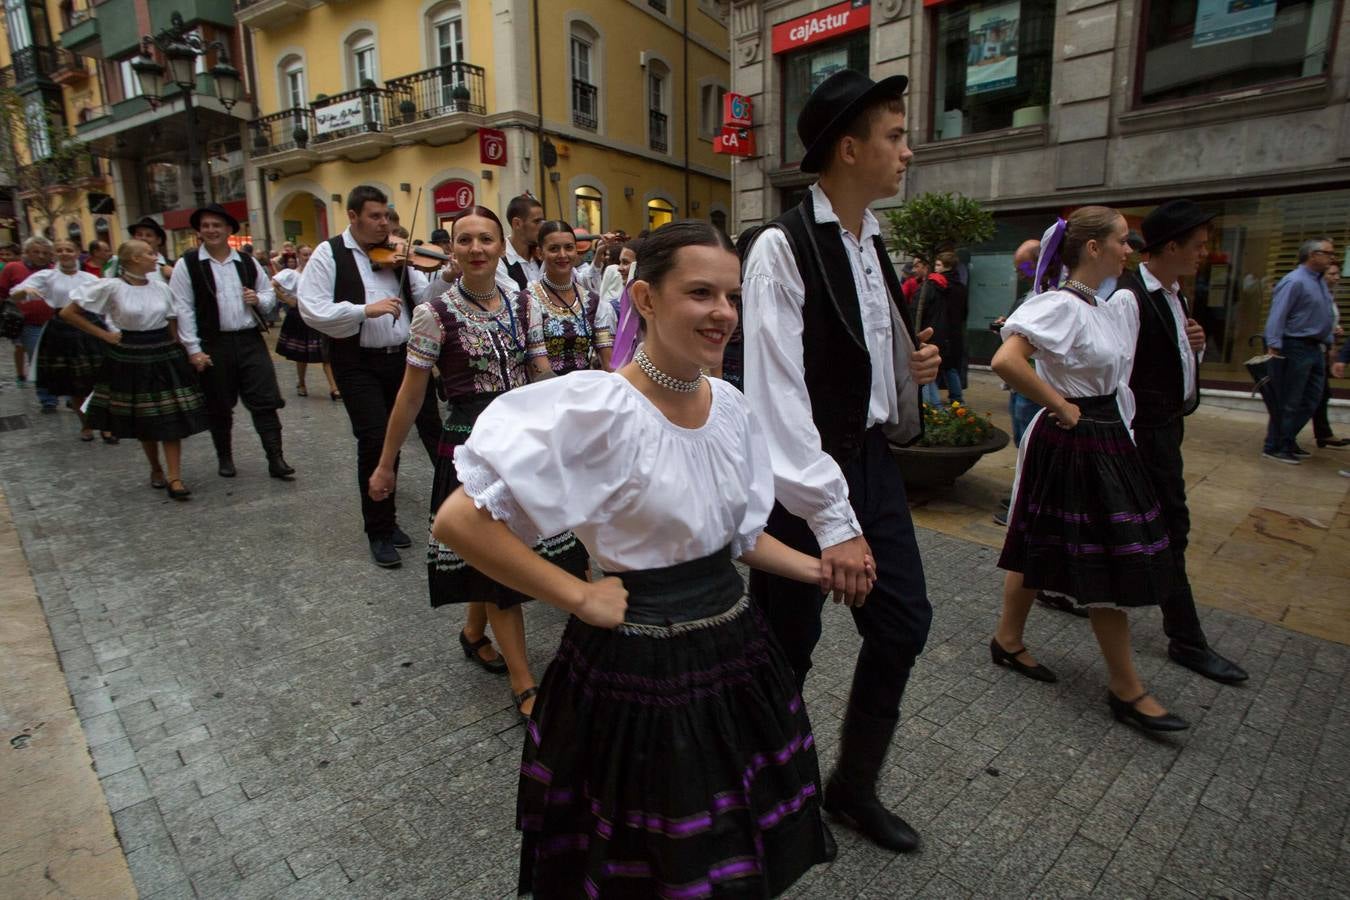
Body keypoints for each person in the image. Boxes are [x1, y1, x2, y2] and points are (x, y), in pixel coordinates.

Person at [434, 221, 837, 897]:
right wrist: (579, 595)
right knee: (653, 855)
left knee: (730, 844)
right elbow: (458, 522)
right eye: (701, 293)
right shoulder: (597, 410)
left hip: (737, 660)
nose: (723, 314)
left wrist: (817, 569)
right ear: (645, 299)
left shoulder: (732, 408)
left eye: (732, 297)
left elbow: (737, 537)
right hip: (637, 671)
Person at [742, 69, 941, 854]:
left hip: (870, 468)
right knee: (783, 649)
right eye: (894, 136)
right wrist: (833, 522)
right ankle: (767, 802)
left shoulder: (872, 242)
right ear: (850, 148)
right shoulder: (779, 250)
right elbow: (777, 401)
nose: (907, 151)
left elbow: (860, 361)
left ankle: (852, 787)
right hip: (800, 483)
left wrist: (907, 374)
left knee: (902, 623)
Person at [369, 206, 588, 718]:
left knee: (495, 557)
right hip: (470, 449)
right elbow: (410, 395)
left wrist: (566, 417)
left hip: (518, 441)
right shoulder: (433, 313)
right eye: (465, 239)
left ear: (500, 245)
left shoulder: (522, 302)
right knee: (499, 571)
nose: (476, 248)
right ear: (452, 248)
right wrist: (385, 464)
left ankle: (473, 633)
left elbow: (538, 367)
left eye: (485, 239)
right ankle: (524, 683)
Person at [990, 207, 1186, 732]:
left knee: (1040, 541)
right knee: (1107, 558)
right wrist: (1059, 403)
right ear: (1093, 248)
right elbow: (1006, 360)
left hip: (1104, 437)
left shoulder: (1113, 305)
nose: (1131, 249)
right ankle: (1126, 688)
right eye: (1123, 241)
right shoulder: (1060, 305)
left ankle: (1007, 640)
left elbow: (1121, 375)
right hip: (1075, 438)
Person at [1105, 200, 1249, 686]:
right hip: (1142, 435)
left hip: (1167, 427)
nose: (1204, 255)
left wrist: (1196, 346)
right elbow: (1115, 376)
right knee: (1169, 528)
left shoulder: (1175, 295)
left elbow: (1172, 358)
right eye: (1199, 246)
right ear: (1170, 246)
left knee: (1135, 526)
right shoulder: (1128, 298)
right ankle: (1186, 638)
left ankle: (1055, 586)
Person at [298, 185, 454, 568]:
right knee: (375, 440)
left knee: (433, 431)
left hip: (404, 359)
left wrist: (447, 275)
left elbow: (428, 296)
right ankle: (380, 529)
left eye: (386, 216)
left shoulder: (399, 255)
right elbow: (312, 309)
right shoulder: (328, 254)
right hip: (357, 362)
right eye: (375, 216)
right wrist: (363, 310)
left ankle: (454, 515)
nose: (384, 223)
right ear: (352, 217)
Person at [60, 240, 208, 500]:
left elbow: (174, 324)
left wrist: (185, 352)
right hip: (131, 354)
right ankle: (156, 468)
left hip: (163, 352)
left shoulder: (162, 288)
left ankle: (175, 477)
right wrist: (104, 336)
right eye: (150, 254)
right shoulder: (112, 286)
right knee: (145, 418)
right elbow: (68, 312)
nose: (155, 258)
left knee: (171, 418)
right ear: (134, 259)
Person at [170, 203, 294, 481]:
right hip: (213, 342)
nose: (211, 230)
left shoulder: (247, 262)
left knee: (265, 400)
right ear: (199, 231)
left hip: (249, 339)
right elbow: (184, 309)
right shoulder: (187, 265)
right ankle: (224, 457)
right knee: (218, 404)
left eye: (216, 225)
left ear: (228, 229)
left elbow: (268, 294)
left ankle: (276, 458)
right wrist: (193, 349)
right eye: (205, 226)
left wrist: (258, 300)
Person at [10, 240, 104, 437]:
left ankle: (105, 425)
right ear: (55, 254)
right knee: (74, 382)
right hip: (62, 327)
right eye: (60, 250)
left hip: (89, 324)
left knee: (98, 379)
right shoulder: (47, 276)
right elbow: (16, 295)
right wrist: (24, 291)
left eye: (69, 250)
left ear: (77, 253)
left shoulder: (89, 277)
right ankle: (86, 424)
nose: (65, 253)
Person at [1262, 237, 1336, 464]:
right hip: (1296, 346)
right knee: (1289, 399)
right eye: (1327, 253)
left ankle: (1287, 438)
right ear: (1313, 255)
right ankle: (1275, 445)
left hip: (1315, 347)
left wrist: (1330, 340)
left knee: (1312, 397)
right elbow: (1278, 314)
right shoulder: (1294, 281)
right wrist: (1273, 345)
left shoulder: (1319, 282)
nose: (1332, 258)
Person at [524, 220, 612, 376]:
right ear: (540, 253)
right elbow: (536, 366)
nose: (563, 255)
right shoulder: (528, 301)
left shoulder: (593, 301)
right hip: (546, 392)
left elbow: (608, 361)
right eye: (554, 249)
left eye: (569, 247)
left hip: (585, 391)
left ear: (576, 251)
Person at [273, 245, 339, 401]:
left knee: (325, 353)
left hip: (317, 314)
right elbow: (273, 286)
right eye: (304, 254)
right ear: (298, 256)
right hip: (299, 316)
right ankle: (302, 382)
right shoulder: (291, 274)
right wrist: (288, 299)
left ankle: (333, 387)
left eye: (310, 254)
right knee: (302, 354)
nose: (308, 257)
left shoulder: (318, 273)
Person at [1, 236, 54, 393]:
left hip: (55, 322)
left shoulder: (55, 270)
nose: (41, 256)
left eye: (45, 253)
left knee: (58, 359)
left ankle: (65, 394)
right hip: (29, 323)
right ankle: (48, 398)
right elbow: (2, 292)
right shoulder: (13, 268)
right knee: (38, 360)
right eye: (36, 252)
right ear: (27, 252)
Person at [1311, 261, 1348, 449]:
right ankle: (1281, 439)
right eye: (1332, 273)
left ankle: (1324, 433)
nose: (1337, 277)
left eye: (1338, 273)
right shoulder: (1315, 295)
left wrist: (1334, 331)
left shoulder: (1329, 297)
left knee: (1322, 394)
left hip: (1323, 351)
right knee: (1310, 396)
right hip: (1311, 352)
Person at [498, 194, 544, 291]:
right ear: (517, 224)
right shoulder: (499, 260)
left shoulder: (542, 254)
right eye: (537, 222)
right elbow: (516, 297)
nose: (542, 227)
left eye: (542, 222)